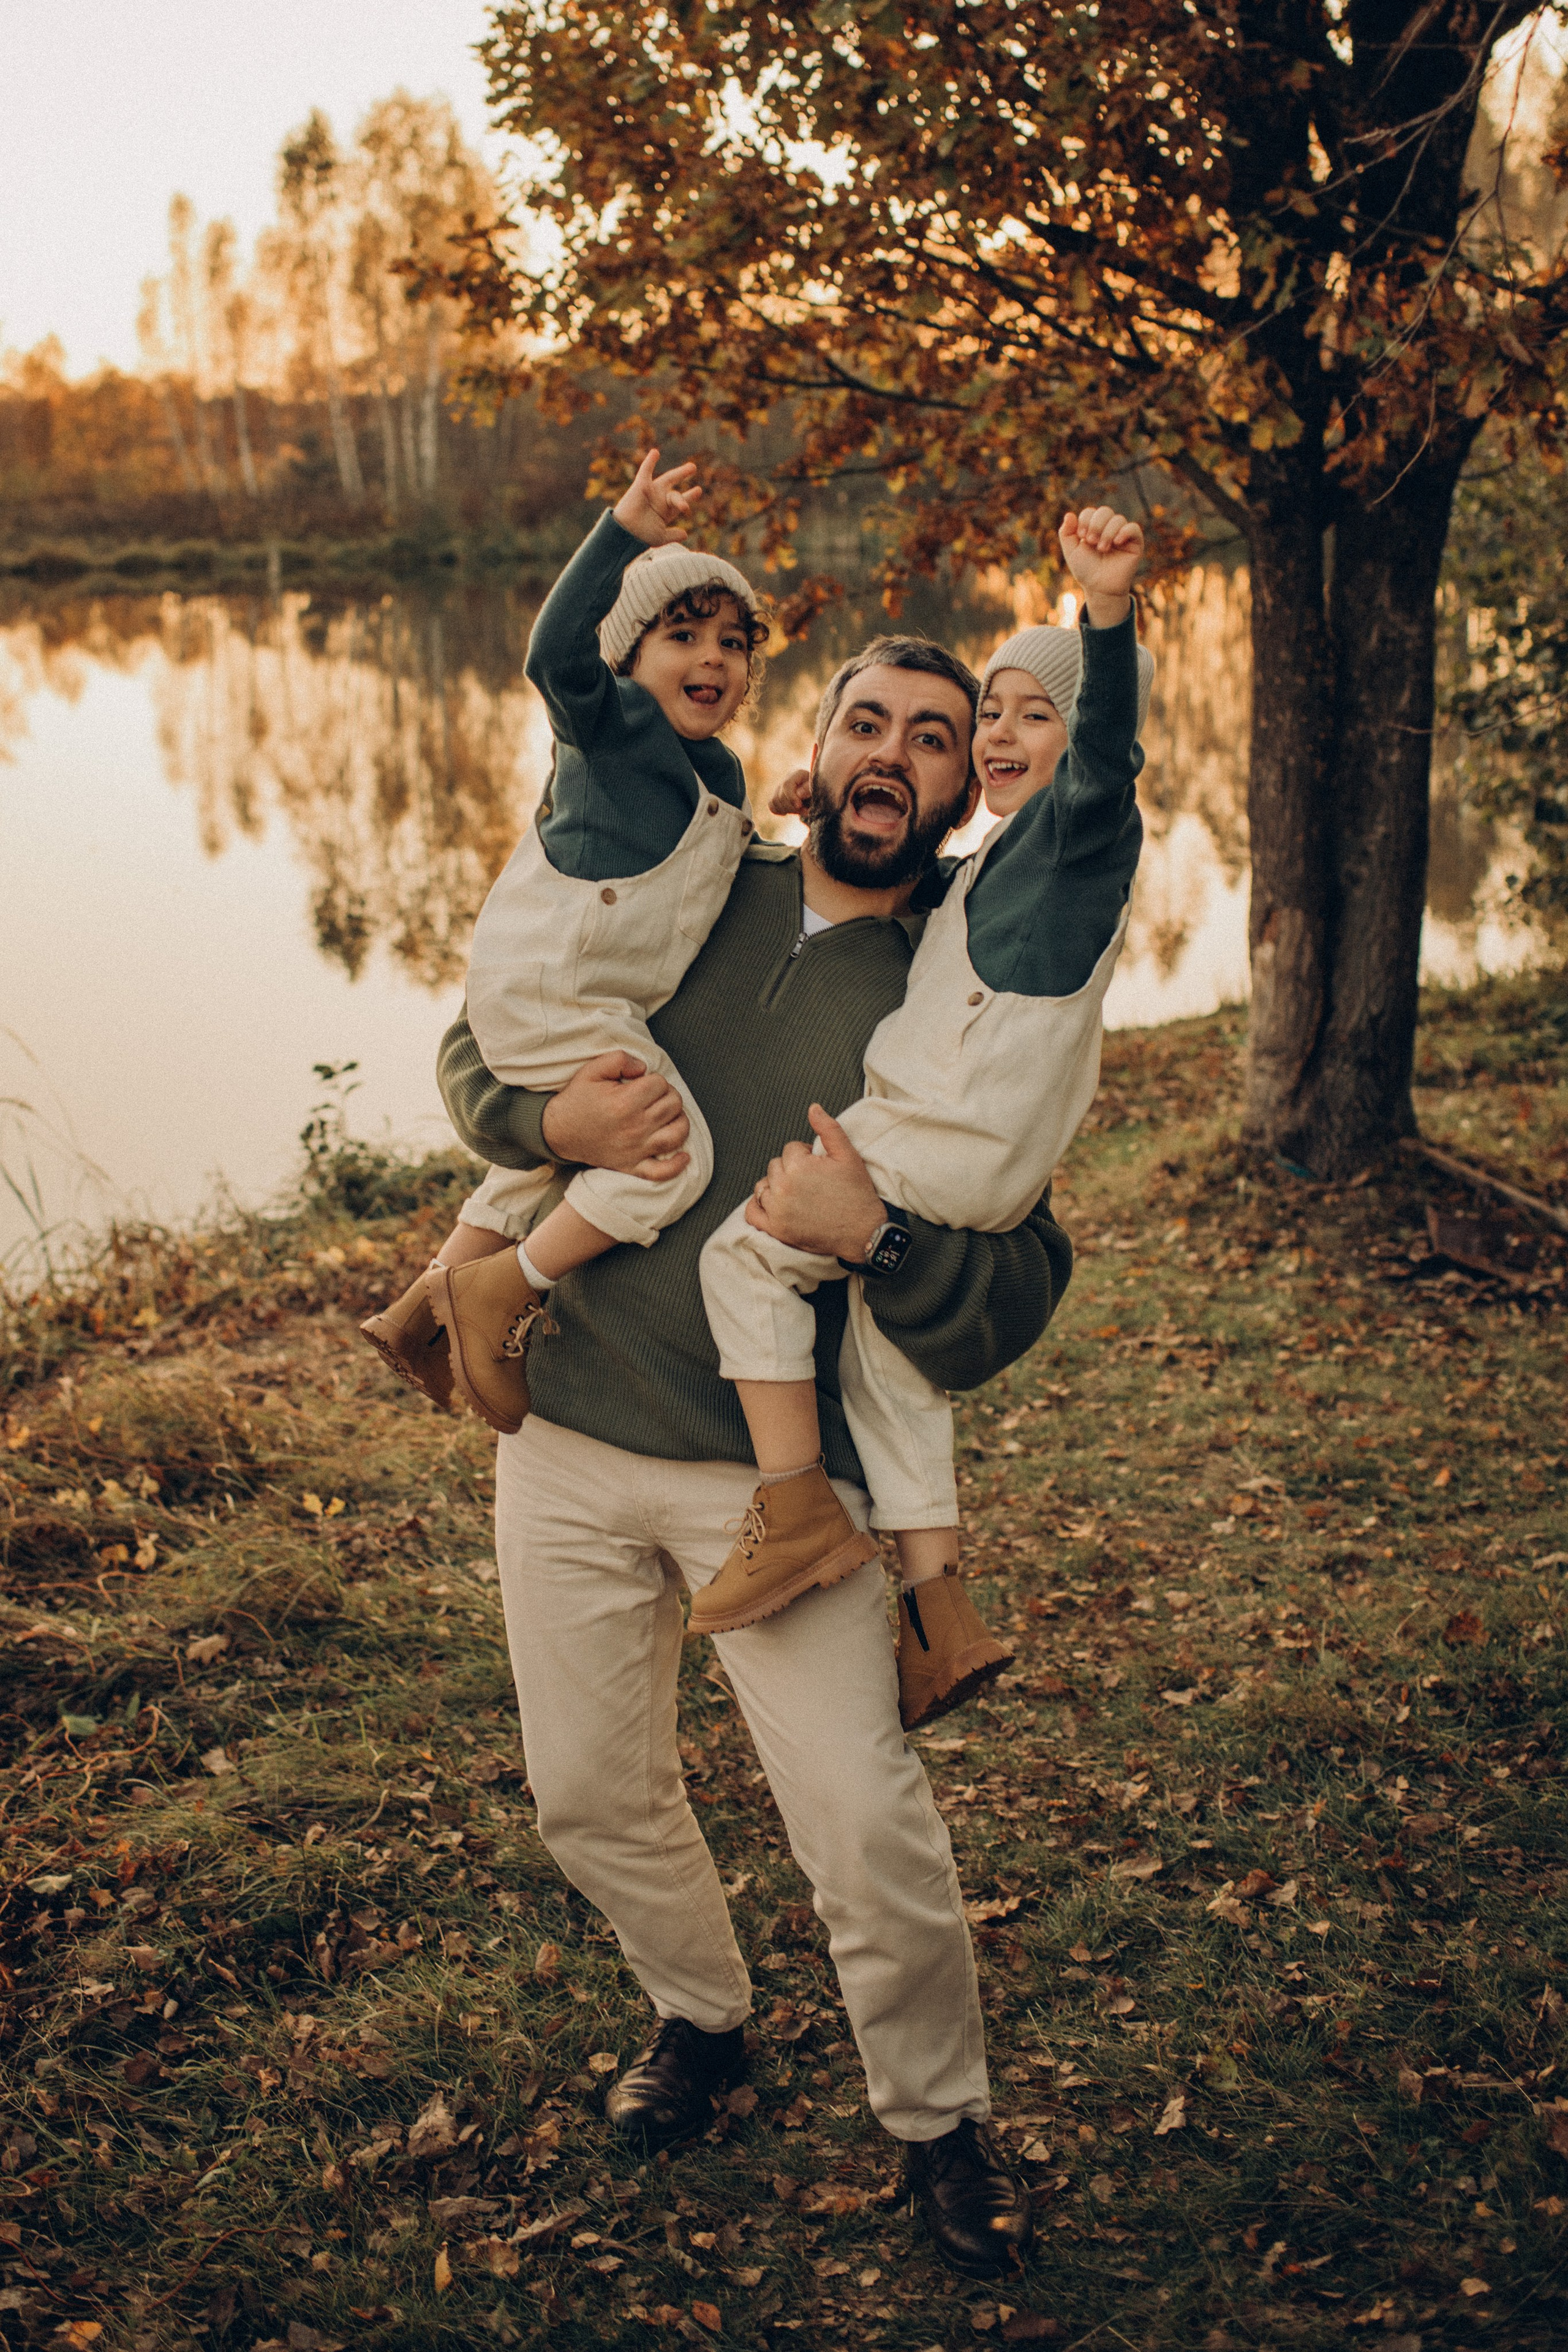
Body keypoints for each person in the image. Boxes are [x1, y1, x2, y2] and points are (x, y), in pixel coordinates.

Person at [433, 625, 1076, 2280]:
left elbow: (1013, 1284)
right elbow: (484, 1041)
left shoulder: (971, 981)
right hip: (568, 1430)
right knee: (586, 1794)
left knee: (863, 1822)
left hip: (782, 1487)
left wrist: (878, 1243)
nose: (893, 755)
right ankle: (701, 2018)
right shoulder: (699, 876)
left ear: (960, 791)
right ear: (825, 740)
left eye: (935, 741)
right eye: (870, 720)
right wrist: (548, 1128)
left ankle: (941, 2126)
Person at [688, 505, 1153, 1725]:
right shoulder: (1001, 862)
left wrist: (1101, 612)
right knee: (883, 1363)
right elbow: (918, 876)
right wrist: (813, 805)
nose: (1002, 733)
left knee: (747, 1253)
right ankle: (941, 1616)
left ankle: (792, 1505)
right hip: (974, 1148)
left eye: (1027, 715)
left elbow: (1105, 761)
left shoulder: (1081, 834)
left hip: (949, 1136)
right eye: (990, 711)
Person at [359, 447, 771, 1412]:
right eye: (682, 634)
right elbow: (552, 655)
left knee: (566, 1153)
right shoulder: (613, 730)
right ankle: (502, 1293)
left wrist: (788, 809)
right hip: (554, 982)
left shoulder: (722, 779)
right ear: (627, 659)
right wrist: (622, 533)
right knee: (669, 1158)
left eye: (734, 641)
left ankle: (421, 1307)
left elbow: (721, 871)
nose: (712, 655)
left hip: (584, 992)